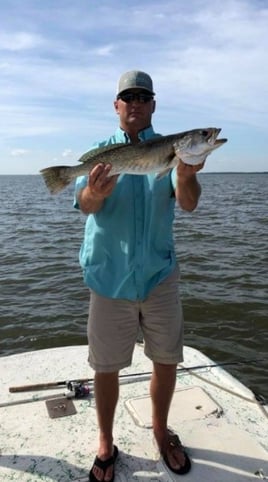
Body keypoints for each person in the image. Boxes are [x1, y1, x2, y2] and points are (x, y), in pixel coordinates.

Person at [74, 70, 204, 482]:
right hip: (109, 277)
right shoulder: (98, 153)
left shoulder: (173, 153)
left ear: (153, 104)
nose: (135, 103)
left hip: (158, 275)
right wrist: (94, 192)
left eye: (142, 96)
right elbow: (84, 204)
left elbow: (188, 204)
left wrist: (185, 174)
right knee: (105, 366)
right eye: (127, 97)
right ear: (116, 106)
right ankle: (105, 441)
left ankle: (162, 433)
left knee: (166, 361)